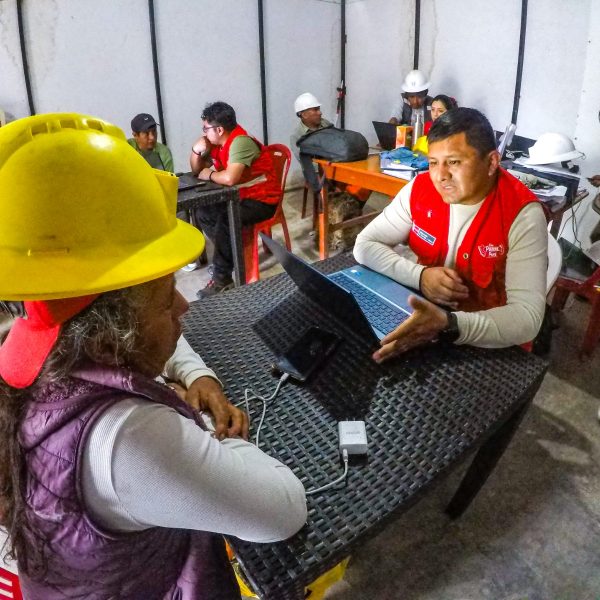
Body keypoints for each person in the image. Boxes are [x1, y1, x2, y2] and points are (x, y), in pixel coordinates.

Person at [0, 113, 307, 599]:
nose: (184, 305)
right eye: (166, 298)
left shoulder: (41, 343)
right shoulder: (132, 439)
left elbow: (154, 337)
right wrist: (211, 439)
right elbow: (283, 511)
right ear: (113, 330)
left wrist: (197, 375)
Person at [354, 107, 548, 363]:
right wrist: (420, 277)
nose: (440, 176)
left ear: (491, 162)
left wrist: (449, 324)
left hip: (491, 344)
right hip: (427, 318)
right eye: (433, 162)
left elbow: (527, 318)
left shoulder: (522, 214)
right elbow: (365, 245)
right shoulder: (420, 189)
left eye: (454, 162)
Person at [190, 101, 280, 297]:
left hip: (263, 200)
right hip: (241, 197)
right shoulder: (218, 144)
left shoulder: (240, 142)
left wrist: (209, 174)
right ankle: (228, 256)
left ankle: (222, 279)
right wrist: (196, 151)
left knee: (226, 218)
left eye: (206, 129)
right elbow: (196, 170)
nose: (204, 133)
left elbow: (229, 178)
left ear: (219, 129)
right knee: (203, 211)